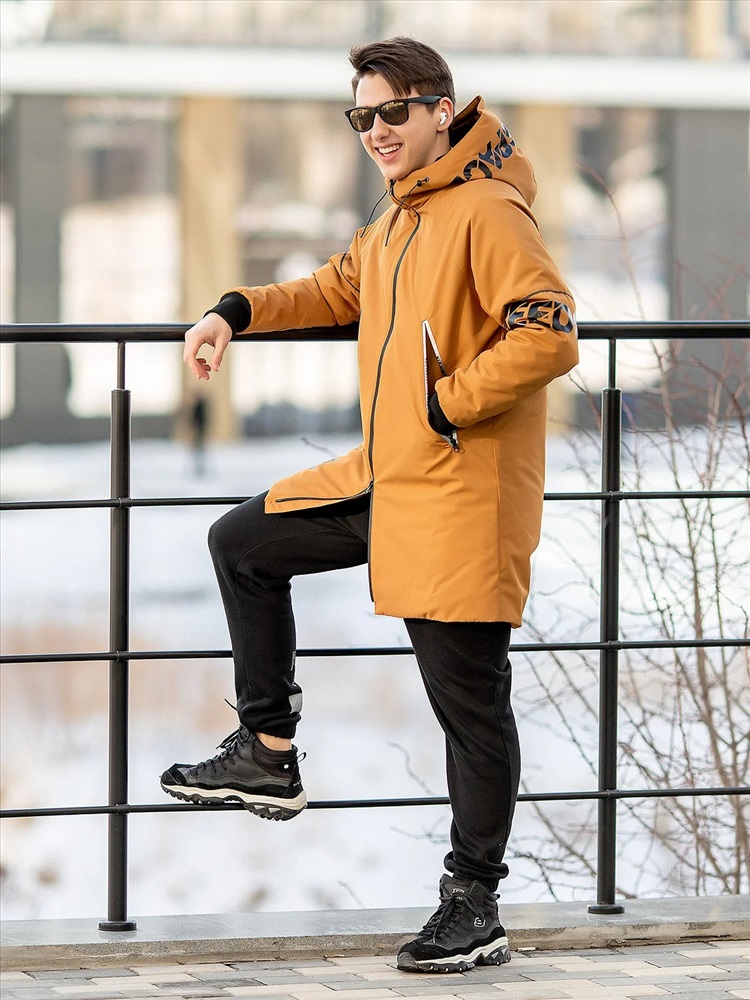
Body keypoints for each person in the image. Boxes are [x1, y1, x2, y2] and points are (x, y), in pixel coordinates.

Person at [160, 37, 578, 974]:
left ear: (441, 111)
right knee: (244, 542)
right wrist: (233, 310)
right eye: (363, 116)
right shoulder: (399, 217)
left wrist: (445, 404)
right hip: (389, 478)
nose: (377, 131)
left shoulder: (486, 209)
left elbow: (549, 331)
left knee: (469, 708)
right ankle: (268, 748)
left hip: (460, 495)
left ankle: (474, 904)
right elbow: (333, 288)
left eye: (394, 112)